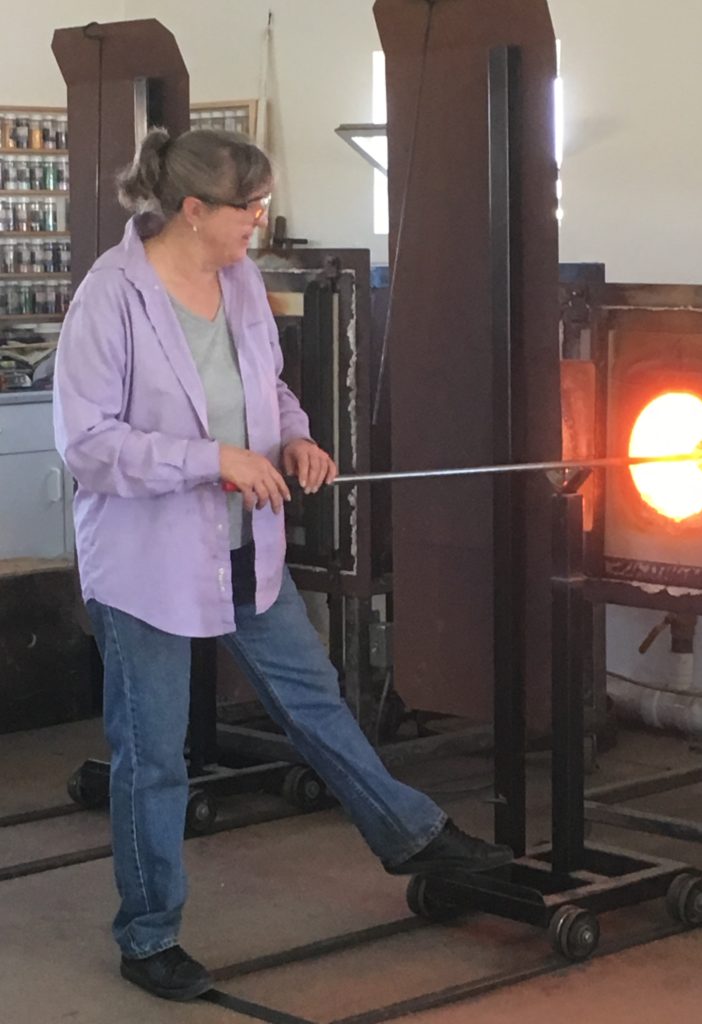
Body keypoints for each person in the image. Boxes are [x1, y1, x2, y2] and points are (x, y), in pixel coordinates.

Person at [53, 128, 514, 1003]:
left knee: (316, 701)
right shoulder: (109, 298)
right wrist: (212, 460)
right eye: (247, 209)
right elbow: (88, 446)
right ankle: (148, 937)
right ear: (194, 211)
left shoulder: (239, 283)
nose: (258, 224)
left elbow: (266, 386)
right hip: (147, 565)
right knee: (152, 755)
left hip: (240, 546)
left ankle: (412, 836)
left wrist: (294, 436)